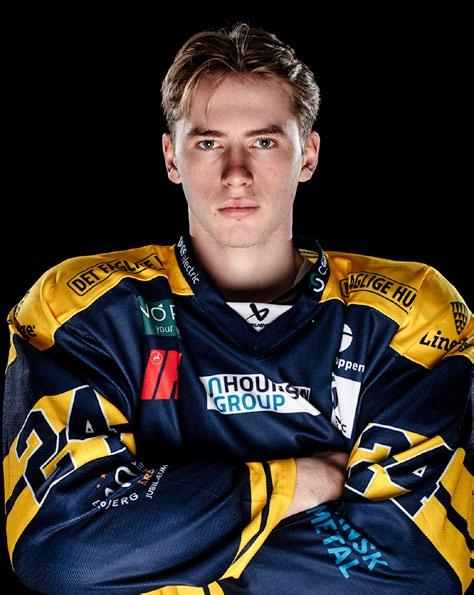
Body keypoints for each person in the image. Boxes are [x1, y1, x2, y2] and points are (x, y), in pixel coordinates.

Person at [2, 23, 472, 594]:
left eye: (264, 142)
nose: (236, 173)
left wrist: (157, 546)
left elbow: (422, 569)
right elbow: (65, 552)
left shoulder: (409, 311)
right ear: (171, 157)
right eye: (208, 143)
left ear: (308, 155)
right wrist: (301, 481)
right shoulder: (82, 308)